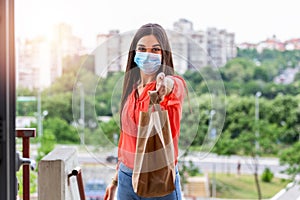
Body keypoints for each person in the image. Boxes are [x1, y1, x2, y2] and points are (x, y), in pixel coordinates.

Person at [104, 23, 187, 200]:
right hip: (126, 180)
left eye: (155, 50)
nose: (148, 54)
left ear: (164, 55)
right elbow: (126, 138)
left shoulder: (169, 87)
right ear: (134, 53)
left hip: (159, 179)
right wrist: (116, 180)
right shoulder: (132, 90)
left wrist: (165, 86)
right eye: (142, 49)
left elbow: (177, 86)